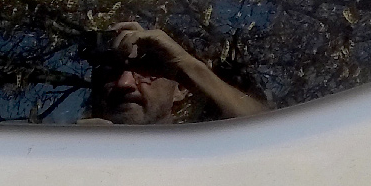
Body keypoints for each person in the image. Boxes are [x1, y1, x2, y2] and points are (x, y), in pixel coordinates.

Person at [85, 22, 267, 125]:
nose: (124, 83)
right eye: (111, 71)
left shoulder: (205, 151)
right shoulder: (74, 149)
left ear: (180, 88)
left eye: (145, 70)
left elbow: (267, 134)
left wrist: (186, 63)